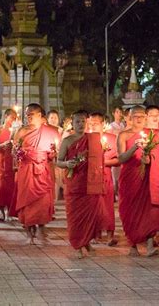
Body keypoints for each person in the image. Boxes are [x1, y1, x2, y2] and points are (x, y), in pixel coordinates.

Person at [57, 110, 105, 258]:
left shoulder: (94, 139)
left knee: (92, 216)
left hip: (91, 182)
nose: (80, 124)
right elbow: (58, 162)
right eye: (77, 121)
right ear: (72, 123)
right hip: (75, 184)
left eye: (83, 121)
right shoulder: (67, 141)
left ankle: (87, 242)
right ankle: (77, 245)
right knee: (76, 217)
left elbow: (98, 160)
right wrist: (67, 163)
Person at [117, 105, 159, 257]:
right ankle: (133, 245)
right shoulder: (124, 135)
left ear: (145, 118)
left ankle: (150, 244)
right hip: (130, 176)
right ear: (129, 118)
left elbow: (157, 157)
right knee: (129, 210)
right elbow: (121, 158)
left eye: (141, 116)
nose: (138, 119)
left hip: (147, 178)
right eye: (135, 116)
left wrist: (148, 158)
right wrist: (134, 148)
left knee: (148, 210)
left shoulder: (153, 135)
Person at [14, 103, 60, 244]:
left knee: (43, 202)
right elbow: (15, 152)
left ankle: (41, 229)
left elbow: (56, 153)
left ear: (40, 115)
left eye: (31, 114)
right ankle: (29, 233)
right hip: (27, 170)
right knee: (26, 201)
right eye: (27, 114)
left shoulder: (52, 131)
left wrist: (53, 154)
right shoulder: (22, 131)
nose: (28, 117)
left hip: (43, 170)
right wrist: (19, 154)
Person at [89, 112, 119, 246]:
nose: (92, 126)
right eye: (90, 123)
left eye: (95, 123)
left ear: (103, 124)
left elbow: (119, 159)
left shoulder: (111, 138)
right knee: (94, 205)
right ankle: (95, 234)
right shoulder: (86, 139)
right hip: (91, 177)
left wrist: (102, 161)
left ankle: (110, 235)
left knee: (107, 206)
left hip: (106, 176)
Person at [0, 109, 17, 222]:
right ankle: (2, 212)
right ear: (6, 116)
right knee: (1, 186)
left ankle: (9, 212)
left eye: (15, 118)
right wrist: (2, 144)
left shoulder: (16, 131)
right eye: (11, 117)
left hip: (11, 160)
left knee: (11, 187)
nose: (13, 120)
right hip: (0, 160)